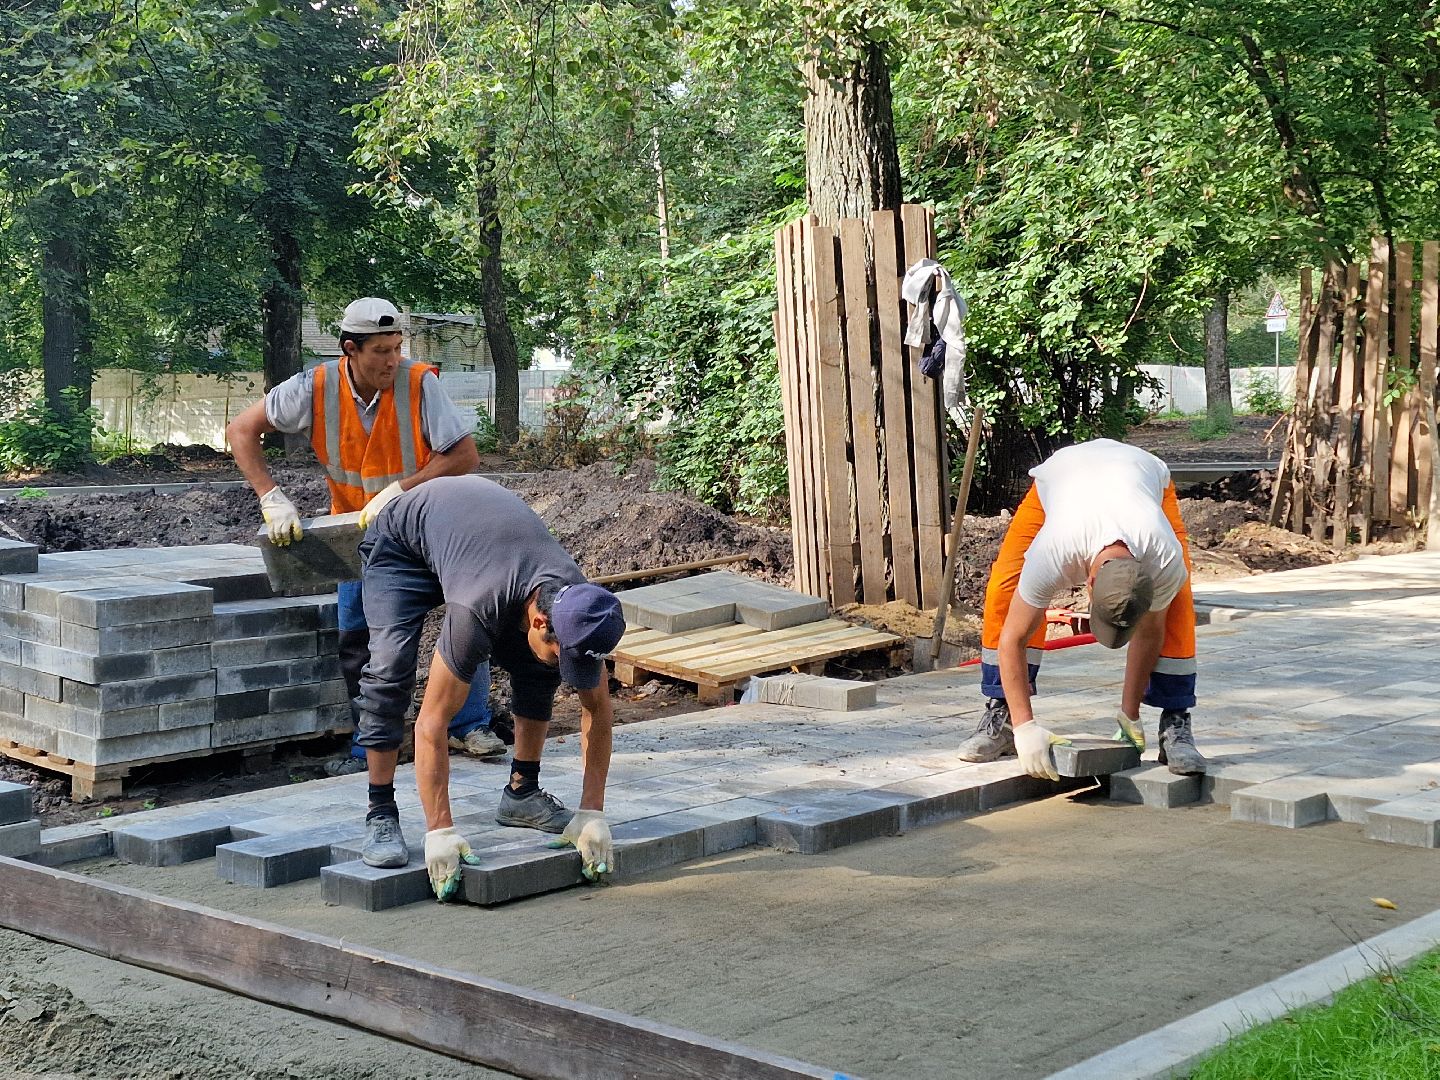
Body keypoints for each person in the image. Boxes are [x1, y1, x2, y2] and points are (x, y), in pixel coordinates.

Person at [227, 297, 505, 775]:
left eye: (397, 348)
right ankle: (378, 743)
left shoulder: (420, 383)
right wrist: (270, 496)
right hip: (359, 535)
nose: (393, 360)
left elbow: (464, 456)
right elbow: (240, 430)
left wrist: (401, 489)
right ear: (350, 349)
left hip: (430, 527)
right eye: (381, 351)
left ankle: (467, 724)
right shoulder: (314, 387)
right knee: (360, 639)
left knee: (465, 619)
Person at [350, 474, 625, 898]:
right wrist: (440, 831)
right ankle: (380, 809)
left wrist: (592, 811)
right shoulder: (478, 608)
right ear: (539, 620)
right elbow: (431, 723)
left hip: (474, 547)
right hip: (402, 545)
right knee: (389, 672)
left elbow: (598, 709)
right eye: (563, 653)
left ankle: (521, 792)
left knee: (540, 665)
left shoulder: (580, 606)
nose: (566, 665)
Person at [957, 439, 1207, 780]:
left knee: (1178, 603)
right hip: (1063, 478)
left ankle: (1175, 720)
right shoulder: (1053, 552)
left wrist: (1129, 714)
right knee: (1006, 588)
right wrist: (1027, 728)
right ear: (1088, 583)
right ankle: (1005, 715)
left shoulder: (1164, 559)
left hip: (1145, 478)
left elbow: (1149, 633)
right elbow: (1012, 638)